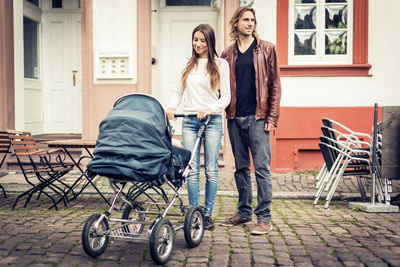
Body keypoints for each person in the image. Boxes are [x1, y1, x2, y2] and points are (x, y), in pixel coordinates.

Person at [220, 6, 281, 235]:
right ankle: (244, 212)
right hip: (235, 117)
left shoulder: (266, 49)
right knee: (241, 168)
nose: (250, 23)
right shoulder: (227, 54)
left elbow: (275, 86)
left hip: (258, 118)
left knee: (262, 169)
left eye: (253, 20)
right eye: (245, 19)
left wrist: (272, 117)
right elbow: (221, 87)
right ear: (236, 23)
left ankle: (264, 218)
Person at [167, 24, 231, 230]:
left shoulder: (221, 64)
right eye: (195, 39)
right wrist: (171, 106)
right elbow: (178, 91)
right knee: (191, 169)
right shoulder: (186, 64)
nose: (198, 44)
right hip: (189, 120)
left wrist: (210, 109)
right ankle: (194, 213)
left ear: (210, 41)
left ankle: (208, 213)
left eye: (203, 40)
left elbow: (226, 98)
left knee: (211, 170)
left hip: (211, 121)